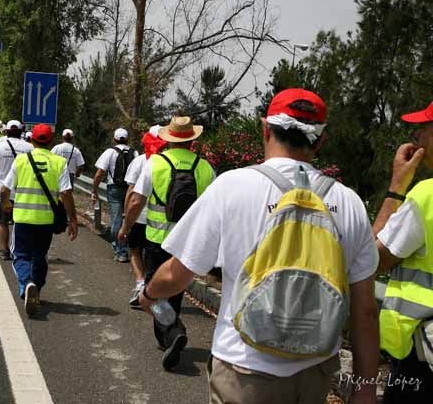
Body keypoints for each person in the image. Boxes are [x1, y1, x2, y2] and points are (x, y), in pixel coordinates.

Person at [133, 90, 380, 402]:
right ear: (320, 141)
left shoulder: (232, 186)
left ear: (265, 129)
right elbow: (366, 311)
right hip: (314, 373)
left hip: (244, 371)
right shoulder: (349, 202)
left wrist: (149, 293)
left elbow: (178, 275)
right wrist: (365, 389)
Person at [119, 116, 215, 370]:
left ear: (168, 138)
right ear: (192, 139)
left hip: (157, 240)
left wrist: (126, 226)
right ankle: (168, 335)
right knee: (176, 289)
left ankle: (173, 330)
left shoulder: (155, 163)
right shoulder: (205, 168)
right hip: (189, 243)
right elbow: (215, 209)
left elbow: (136, 201)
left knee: (151, 292)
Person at [373, 101, 433, 403]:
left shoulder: (426, 195)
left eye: (423, 129)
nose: (418, 137)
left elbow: (373, 259)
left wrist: (397, 185)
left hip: (421, 360)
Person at [0, 123, 78, 316]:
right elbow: (66, 193)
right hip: (45, 221)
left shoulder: (21, 161)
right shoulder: (59, 162)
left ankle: (27, 283)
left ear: (32, 140)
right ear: (51, 141)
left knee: (20, 256)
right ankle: (37, 290)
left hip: (23, 219)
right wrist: (73, 219)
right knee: (39, 256)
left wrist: (6, 205)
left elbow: (3, 190)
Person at [123, 125, 167, 306]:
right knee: (154, 257)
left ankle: (141, 285)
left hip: (139, 217)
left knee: (134, 251)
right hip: (162, 222)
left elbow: (131, 192)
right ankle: (154, 291)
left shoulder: (141, 161)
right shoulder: (169, 161)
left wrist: (126, 219)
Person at [0, 120, 33, 261]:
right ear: (20, 131)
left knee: (2, 222)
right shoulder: (29, 147)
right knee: (21, 223)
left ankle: (5, 250)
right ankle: (19, 250)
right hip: (23, 193)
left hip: (1, 191)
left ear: (7, 131)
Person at [92, 128, 138, 263]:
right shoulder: (134, 152)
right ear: (128, 139)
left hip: (114, 189)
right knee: (129, 219)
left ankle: (120, 251)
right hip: (131, 188)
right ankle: (130, 249)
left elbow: (100, 173)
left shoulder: (110, 152)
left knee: (116, 220)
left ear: (114, 139)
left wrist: (94, 189)